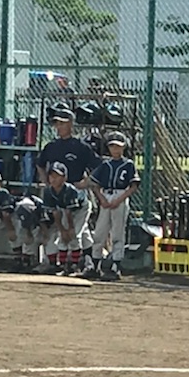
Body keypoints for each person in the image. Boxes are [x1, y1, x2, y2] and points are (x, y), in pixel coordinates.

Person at [36, 108, 100, 270]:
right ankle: (87, 261)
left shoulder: (80, 146)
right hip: (57, 192)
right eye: (57, 123)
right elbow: (40, 164)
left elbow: (98, 167)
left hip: (76, 193)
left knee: (73, 231)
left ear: (71, 124)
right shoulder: (52, 146)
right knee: (76, 230)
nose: (59, 127)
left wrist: (85, 182)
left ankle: (75, 264)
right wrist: (46, 182)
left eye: (62, 123)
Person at [87, 131, 140, 281]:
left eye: (118, 146)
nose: (115, 149)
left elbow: (133, 186)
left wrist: (119, 199)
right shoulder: (105, 164)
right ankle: (95, 266)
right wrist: (102, 199)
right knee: (100, 232)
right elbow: (94, 184)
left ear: (124, 147)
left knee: (118, 233)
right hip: (106, 196)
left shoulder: (128, 164)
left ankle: (115, 267)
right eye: (112, 146)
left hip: (120, 195)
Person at [40, 161, 93, 276]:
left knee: (74, 235)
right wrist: (62, 230)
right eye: (51, 176)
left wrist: (70, 229)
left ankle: (74, 267)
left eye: (57, 176)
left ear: (64, 178)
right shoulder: (48, 191)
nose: (53, 179)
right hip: (64, 209)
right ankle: (65, 266)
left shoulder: (70, 190)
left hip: (81, 208)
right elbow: (55, 212)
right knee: (63, 236)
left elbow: (70, 212)